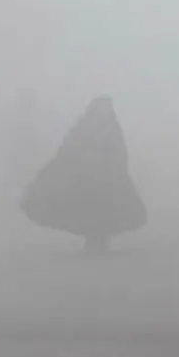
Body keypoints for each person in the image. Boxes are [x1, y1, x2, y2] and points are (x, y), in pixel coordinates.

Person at [19, 95, 147, 253]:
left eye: (107, 108)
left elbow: (119, 152)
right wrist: (82, 156)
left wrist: (109, 163)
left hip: (106, 179)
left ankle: (100, 238)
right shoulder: (82, 126)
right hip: (85, 178)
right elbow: (68, 147)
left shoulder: (113, 129)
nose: (104, 112)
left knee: (105, 208)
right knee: (87, 208)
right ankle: (92, 237)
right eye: (101, 108)